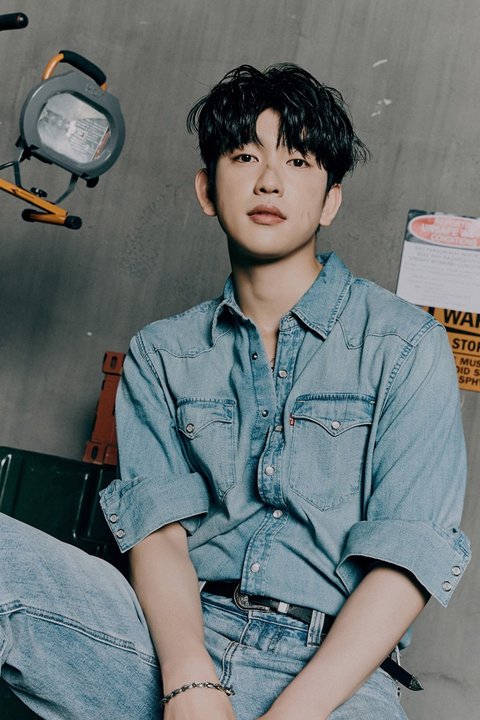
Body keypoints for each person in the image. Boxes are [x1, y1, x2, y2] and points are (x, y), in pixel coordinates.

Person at [0, 64, 471, 720]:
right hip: (172, 645)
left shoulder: (405, 345)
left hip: (339, 675)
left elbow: (404, 564)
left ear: (331, 201)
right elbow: (159, 536)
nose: (269, 180)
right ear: (207, 190)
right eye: (245, 156)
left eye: (298, 161)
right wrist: (188, 680)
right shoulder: (163, 353)